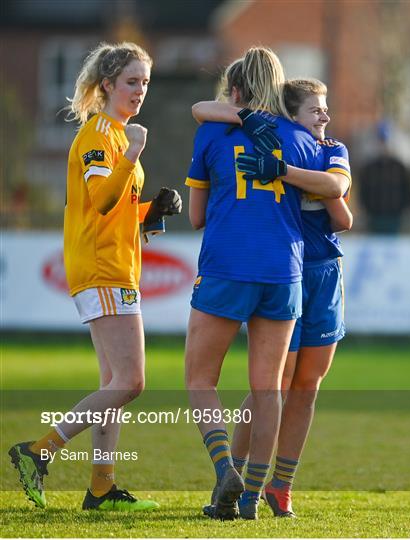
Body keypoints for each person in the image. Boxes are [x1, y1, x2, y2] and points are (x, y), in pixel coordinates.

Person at [8, 42, 182, 511]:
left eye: (145, 82)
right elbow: (100, 199)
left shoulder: (118, 136)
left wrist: (149, 211)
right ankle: (39, 451)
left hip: (114, 264)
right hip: (103, 268)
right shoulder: (99, 135)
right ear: (107, 85)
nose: (140, 91)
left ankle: (101, 488)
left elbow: (114, 208)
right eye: (132, 82)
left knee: (114, 385)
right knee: (131, 382)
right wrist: (135, 154)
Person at [184, 49, 345, 521]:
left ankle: (223, 472)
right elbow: (338, 207)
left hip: (227, 265)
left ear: (233, 91)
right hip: (285, 271)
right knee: (268, 387)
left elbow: (195, 217)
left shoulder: (212, 131)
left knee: (199, 380)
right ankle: (254, 497)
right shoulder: (302, 139)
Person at [358, 120, 410, 234]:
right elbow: (363, 193)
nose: (384, 145)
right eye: (381, 141)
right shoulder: (369, 168)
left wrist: (403, 212)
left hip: (395, 219)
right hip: (374, 219)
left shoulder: (400, 168)